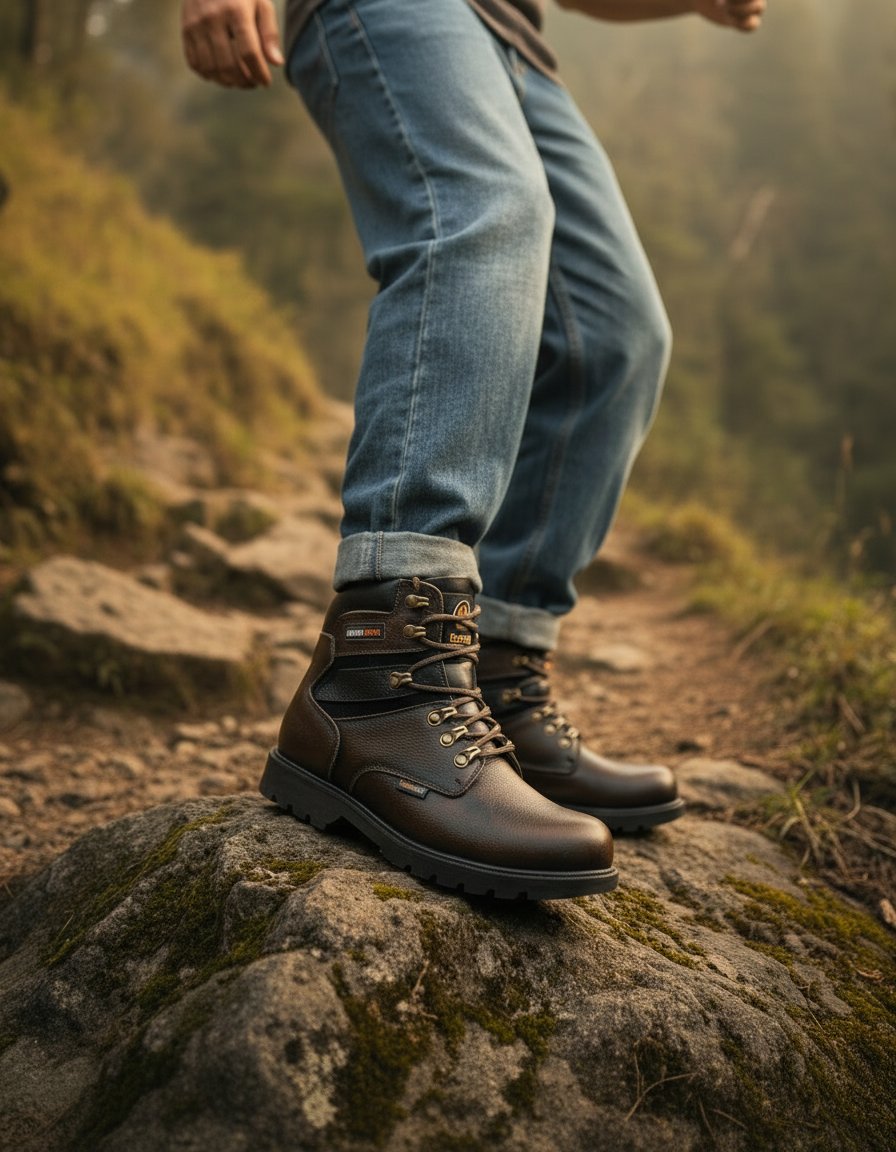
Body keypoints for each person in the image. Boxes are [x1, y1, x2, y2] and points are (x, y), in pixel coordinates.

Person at [180, 0, 766, 900]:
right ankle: (381, 680)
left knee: (614, 334)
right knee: (478, 214)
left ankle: (500, 672)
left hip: (511, 35)